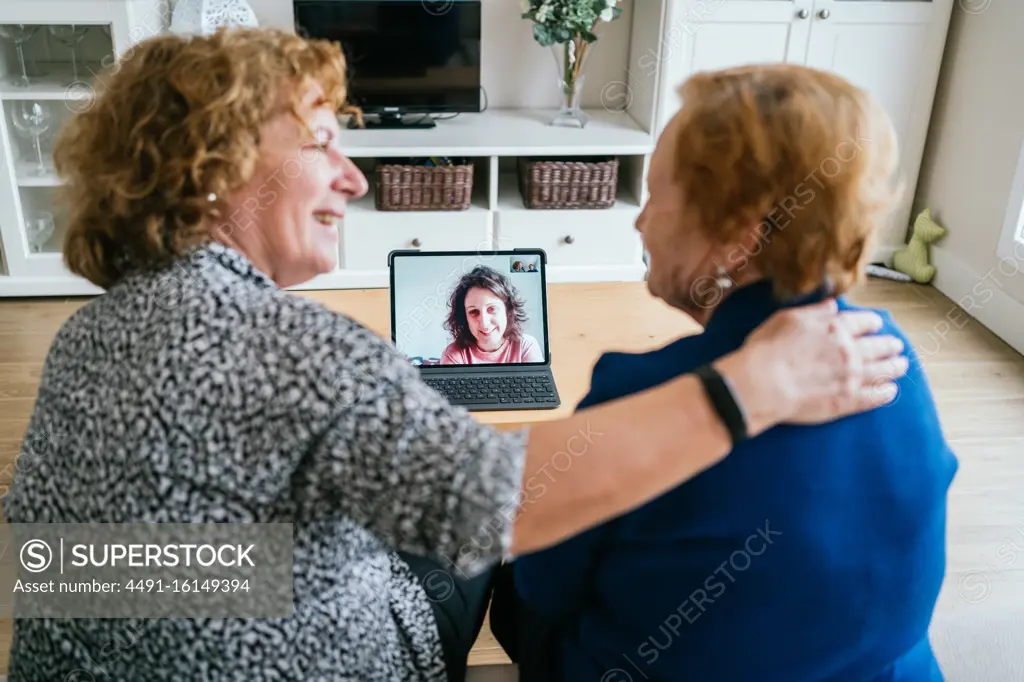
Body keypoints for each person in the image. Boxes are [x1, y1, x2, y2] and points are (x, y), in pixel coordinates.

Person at [2, 29, 909, 682]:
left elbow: (36, 561)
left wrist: (261, 577)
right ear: (210, 166)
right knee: (463, 550)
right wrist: (751, 385)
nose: (353, 177)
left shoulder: (85, 335)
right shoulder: (302, 350)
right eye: (322, 142)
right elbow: (493, 507)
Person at [490, 64, 958, 682]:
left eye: (655, 194)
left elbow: (543, 587)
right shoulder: (888, 352)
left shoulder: (642, 391)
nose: (639, 219)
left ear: (737, 235)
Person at [440, 265, 544, 365]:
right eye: (474, 312)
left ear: (508, 310)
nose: (484, 324)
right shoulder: (453, 355)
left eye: (492, 309)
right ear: (464, 317)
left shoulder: (525, 346)